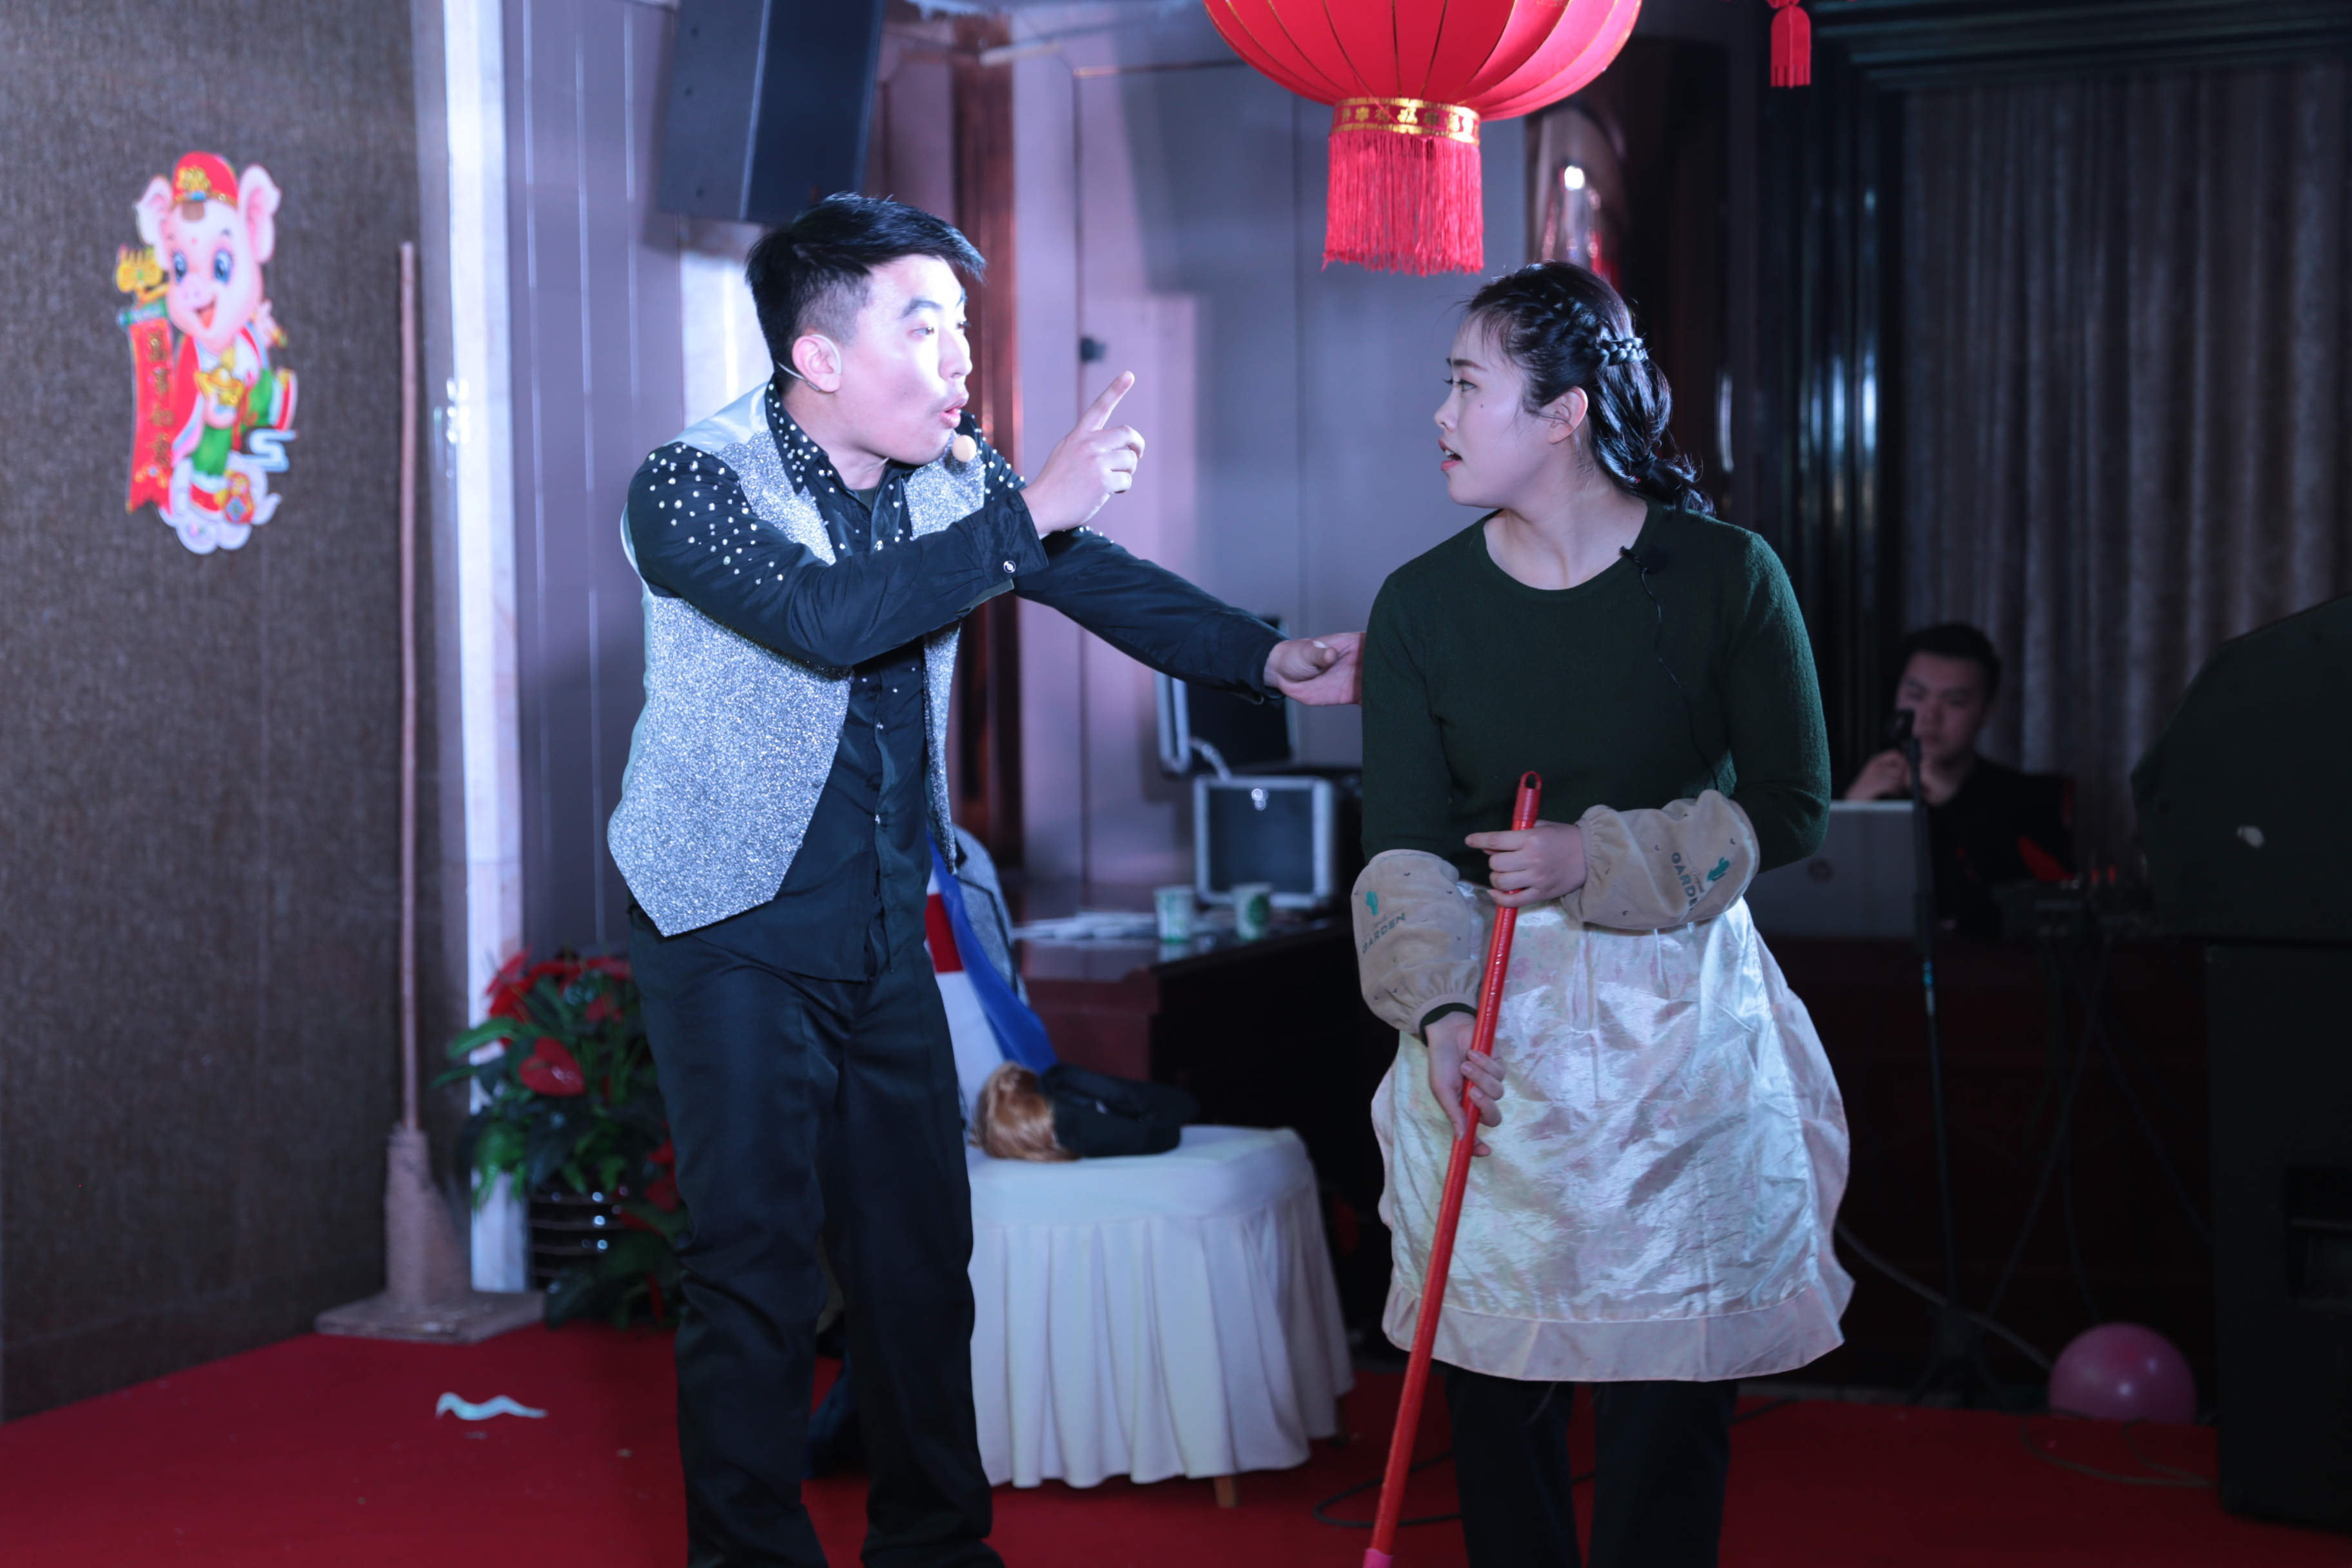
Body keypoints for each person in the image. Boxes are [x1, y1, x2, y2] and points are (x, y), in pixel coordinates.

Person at [609, 193, 1362, 1568]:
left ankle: (937, 1547)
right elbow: (826, 621)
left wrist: (1261, 658)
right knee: (754, 1267)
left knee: (916, 1254)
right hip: (725, 923)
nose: (962, 358)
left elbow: (1094, 576)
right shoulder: (692, 483)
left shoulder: (953, 474)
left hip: (883, 917)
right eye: (925, 326)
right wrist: (1032, 514)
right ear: (819, 354)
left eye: (963, 324)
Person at [1351, 261, 1852, 1568]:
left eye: (1467, 384)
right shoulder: (1419, 604)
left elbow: (1795, 803)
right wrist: (1440, 1015)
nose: (1441, 414)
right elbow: (1403, 845)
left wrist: (1597, 855)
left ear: (1564, 413)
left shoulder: (1728, 575)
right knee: (1496, 1370)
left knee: (1667, 1377)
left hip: (1674, 1017)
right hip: (1493, 1011)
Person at [1843, 623, 2073, 936]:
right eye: (1916, 695)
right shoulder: (1851, 786)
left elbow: (2048, 901)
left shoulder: (2029, 799)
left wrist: (1957, 802)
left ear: (1986, 712)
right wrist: (1849, 811)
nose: (1929, 716)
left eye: (1955, 702)